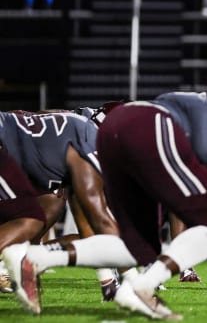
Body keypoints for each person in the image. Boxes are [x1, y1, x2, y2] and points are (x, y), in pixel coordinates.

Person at [3, 67, 207, 318]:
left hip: (123, 128)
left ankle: (34, 257)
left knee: (138, 247)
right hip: (151, 126)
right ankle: (140, 287)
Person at [0, 109, 120, 300]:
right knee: (30, 220)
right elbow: (98, 221)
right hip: (15, 150)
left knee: (33, 221)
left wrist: (108, 284)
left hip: (28, 157)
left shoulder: (79, 128)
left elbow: (87, 225)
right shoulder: (87, 140)